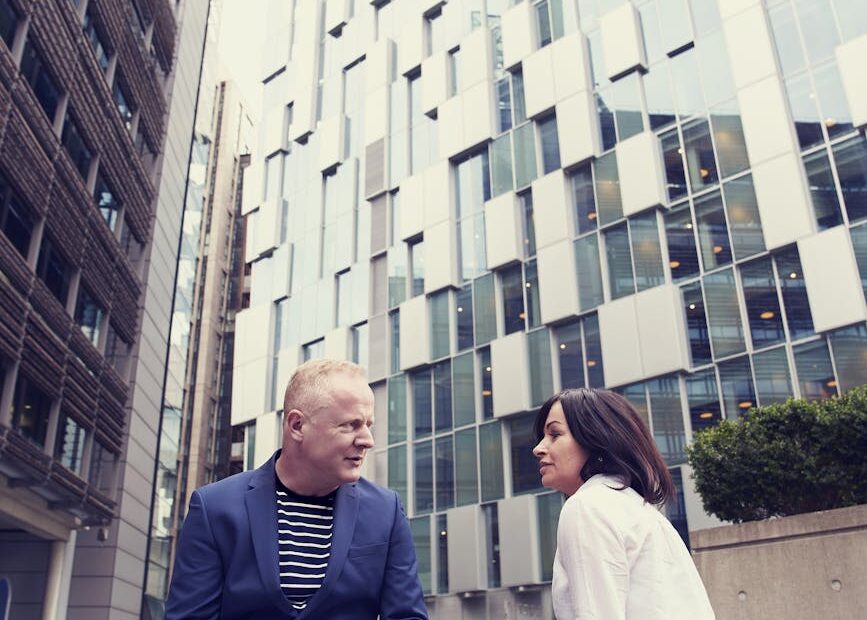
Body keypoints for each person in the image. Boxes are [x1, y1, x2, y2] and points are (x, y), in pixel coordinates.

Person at [166, 359, 428, 619]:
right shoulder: (214, 508)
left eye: (368, 425)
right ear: (297, 426)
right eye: (351, 425)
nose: (367, 441)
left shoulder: (387, 511)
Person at [532, 388, 715, 620]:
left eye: (555, 434)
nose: (538, 448)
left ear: (595, 440)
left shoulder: (587, 507)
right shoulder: (641, 511)